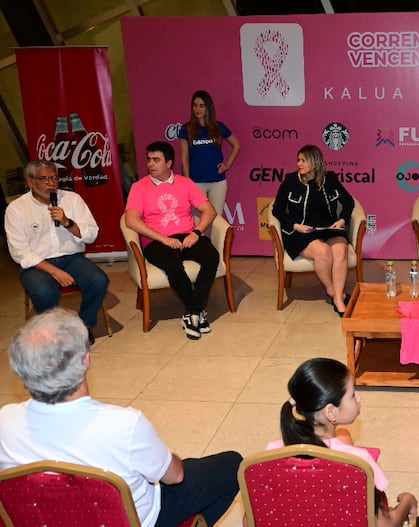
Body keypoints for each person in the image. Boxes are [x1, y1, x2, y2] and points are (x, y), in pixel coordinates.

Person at [0, 307, 242, 527]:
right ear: (86, 360)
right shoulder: (123, 425)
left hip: (43, 520)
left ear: (21, 371)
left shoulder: (5, 421)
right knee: (232, 464)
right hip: (132, 520)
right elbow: (174, 475)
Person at [266, 358, 418, 527]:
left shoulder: (270, 454)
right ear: (330, 412)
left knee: (343, 435)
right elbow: (383, 524)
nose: (359, 398)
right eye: (353, 394)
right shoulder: (358, 461)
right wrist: (408, 501)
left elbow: (250, 519)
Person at [4, 160, 109, 344]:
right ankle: (54, 333)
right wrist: (54, 271)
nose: (51, 183)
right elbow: (19, 251)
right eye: (44, 179)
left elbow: (92, 234)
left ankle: (83, 327)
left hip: (71, 258)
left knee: (99, 280)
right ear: (30, 182)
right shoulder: (16, 209)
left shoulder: (72, 199)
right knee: (44, 292)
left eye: (54, 177)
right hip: (37, 263)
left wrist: (67, 222)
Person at [125, 141, 221, 340]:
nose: (150, 164)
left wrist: (196, 232)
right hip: (158, 241)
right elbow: (131, 219)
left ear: (169, 163)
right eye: (149, 159)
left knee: (211, 256)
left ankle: (192, 312)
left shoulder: (185, 183)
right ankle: (196, 312)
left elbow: (209, 210)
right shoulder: (139, 187)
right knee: (173, 264)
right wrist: (164, 239)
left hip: (187, 235)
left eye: (156, 160)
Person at [271, 145, 354, 316]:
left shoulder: (329, 178)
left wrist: (342, 219)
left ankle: (338, 298)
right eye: (298, 160)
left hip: (328, 228)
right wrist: (294, 225)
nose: (299, 164)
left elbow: (348, 201)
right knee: (323, 251)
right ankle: (334, 293)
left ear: (314, 162)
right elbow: (277, 210)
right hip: (300, 231)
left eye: (303, 160)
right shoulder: (290, 180)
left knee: (340, 250)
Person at [178, 90, 240, 216]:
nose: (198, 109)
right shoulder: (186, 129)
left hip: (217, 181)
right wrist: (187, 181)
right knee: (197, 220)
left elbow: (236, 145)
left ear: (208, 107)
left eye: (202, 106)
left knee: (216, 219)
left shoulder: (219, 127)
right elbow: (184, 158)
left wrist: (227, 165)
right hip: (195, 182)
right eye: (195, 105)